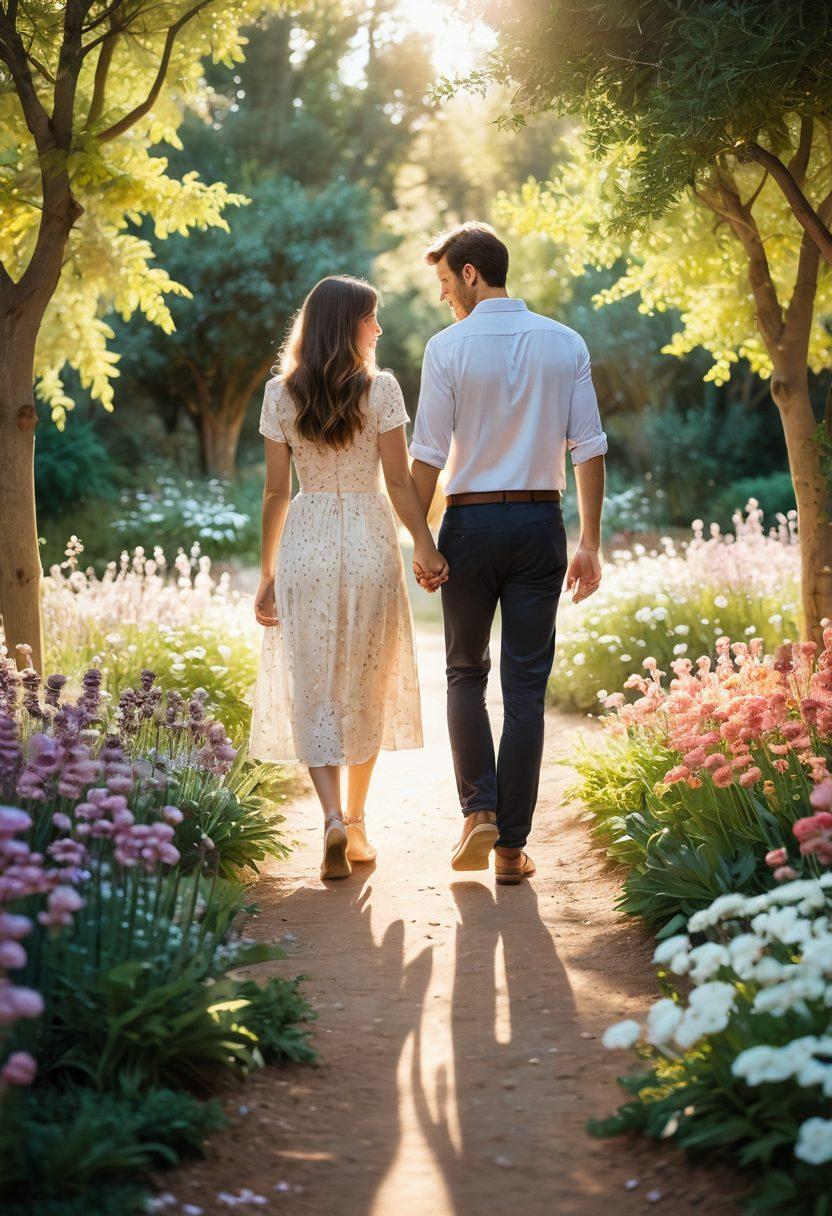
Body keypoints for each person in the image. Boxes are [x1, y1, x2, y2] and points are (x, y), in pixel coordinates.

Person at [409, 222, 606, 885]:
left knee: (466, 673)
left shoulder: (446, 348)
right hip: (540, 525)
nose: (443, 297)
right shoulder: (566, 342)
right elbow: (590, 446)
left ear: (470, 273)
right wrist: (590, 542)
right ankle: (511, 849)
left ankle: (480, 811)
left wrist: (423, 541)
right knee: (526, 687)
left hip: (469, 526)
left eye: (444, 282)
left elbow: (428, 456)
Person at [249, 275, 448, 881]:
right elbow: (396, 481)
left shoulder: (280, 393)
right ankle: (357, 825)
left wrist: (266, 573)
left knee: (314, 683)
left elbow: (276, 491)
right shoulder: (381, 388)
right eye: (372, 319)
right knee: (367, 678)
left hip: (305, 543)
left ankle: (332, 818)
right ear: (349, 324)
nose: (379, 329)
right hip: (367, 539)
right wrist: (426, 542)